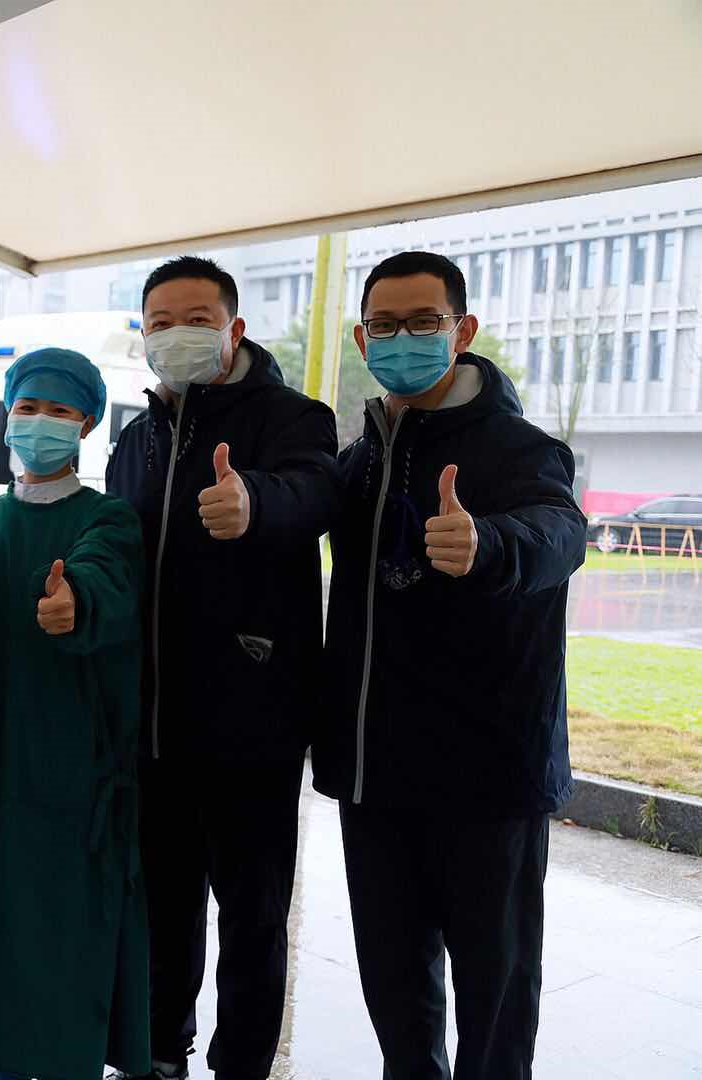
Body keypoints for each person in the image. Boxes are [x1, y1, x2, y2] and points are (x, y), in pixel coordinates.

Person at [313, 251, 585, 1080]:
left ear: (461, 330)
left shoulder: (520, 449)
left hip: (488, 776)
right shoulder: (361, 458)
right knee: (395, 987)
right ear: (362, 339)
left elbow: (559, 532)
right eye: (385, 325)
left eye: (423, 321)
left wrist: (490, 542)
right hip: (376, 775)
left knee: (495, 990)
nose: (403, 339)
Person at [106, 256, 340, 1080]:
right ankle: (159, 1050)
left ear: (234, 329)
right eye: (160, 323)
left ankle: (242, 1064)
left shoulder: (292, 417)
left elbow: (318, 492)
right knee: (162, 908)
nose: (178, 335)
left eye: (197, 319)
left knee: (252, 916)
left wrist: (256, 502)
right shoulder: (135, 439)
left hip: (254, 724)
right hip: (154, 725)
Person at [0, 348, 150, 1080]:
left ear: (86, 423)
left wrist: (73, 602)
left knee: (61, 969)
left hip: (69, 784)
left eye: (59, 410)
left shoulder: (107, 519)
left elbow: (103, 575)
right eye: (27, 407)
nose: (40, 422)